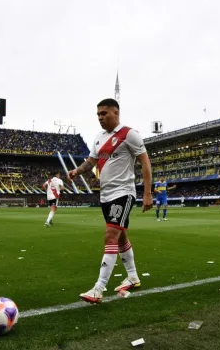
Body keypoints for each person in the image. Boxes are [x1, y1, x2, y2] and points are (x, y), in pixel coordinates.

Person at [67, 98, 153, 304]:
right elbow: (91, 162)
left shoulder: (129, 134)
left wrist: (148, 193)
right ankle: (132, 276)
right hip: (105, 195)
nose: (100, 118)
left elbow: (145, 163)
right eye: (98, 115)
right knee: (121, 235)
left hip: (123, 192)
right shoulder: (98, 138)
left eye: (104, 114)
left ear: (116, 112)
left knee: (111, 235)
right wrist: (77, 171)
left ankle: (98, 288)